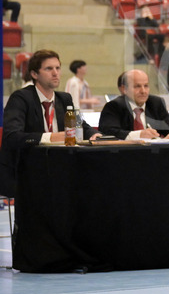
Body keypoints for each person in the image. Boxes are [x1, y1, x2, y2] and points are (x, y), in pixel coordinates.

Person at [1, 49, 100, 194]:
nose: (55, 73)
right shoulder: (21, 98)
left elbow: (81, 126)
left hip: (60, 168)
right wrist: (52, 138)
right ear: (35, 74)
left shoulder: (64, 99)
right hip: (28, 170)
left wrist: (93, 135)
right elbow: (12, 137)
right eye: (49, 68)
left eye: (58, 68)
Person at [98, 70, 169, 140]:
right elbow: (108, 133)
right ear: (124, 89)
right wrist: (140, 135)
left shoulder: (155, 104)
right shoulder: (114, 106)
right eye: (137, 86)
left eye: (146, 86)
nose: (143, 91)